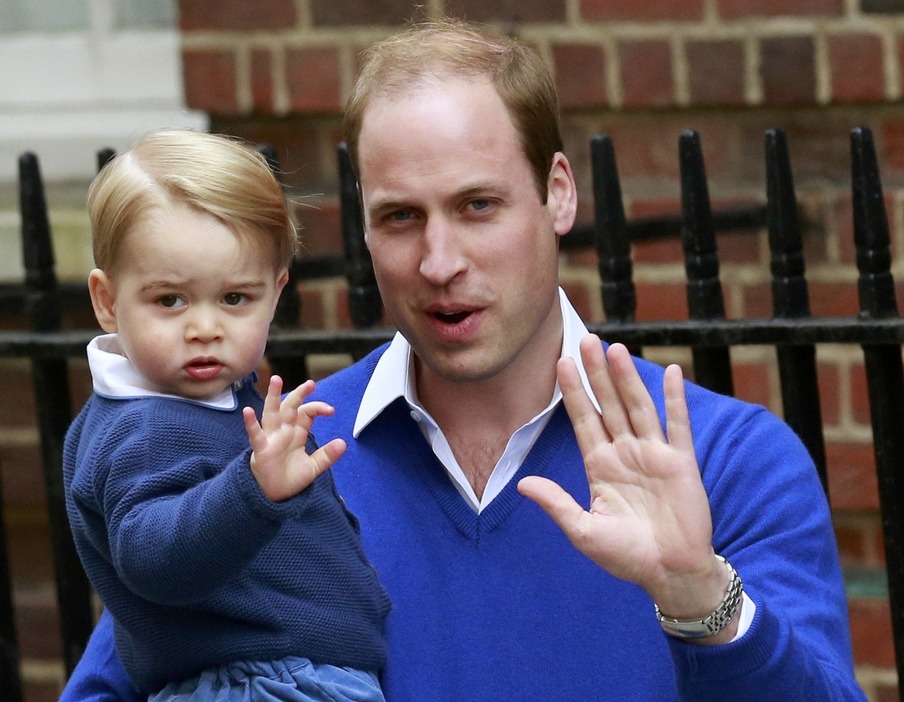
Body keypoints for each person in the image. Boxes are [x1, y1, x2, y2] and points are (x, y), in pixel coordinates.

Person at [61, 19, 866, 702]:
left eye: (478, 206)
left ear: (557, 194)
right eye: (401, 217)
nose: (439, 260)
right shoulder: (271, 453)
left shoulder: (731, 460)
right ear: (365, 230)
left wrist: (701, 600)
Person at [62, 129, 390, 701]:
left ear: (276, 290)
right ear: (108, 301)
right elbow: (152, 557)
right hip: (254, 683)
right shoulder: (141, 427)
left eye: (235, 298)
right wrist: (252, 490)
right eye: (170, 300)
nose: (205, 327)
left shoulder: (213, 399)